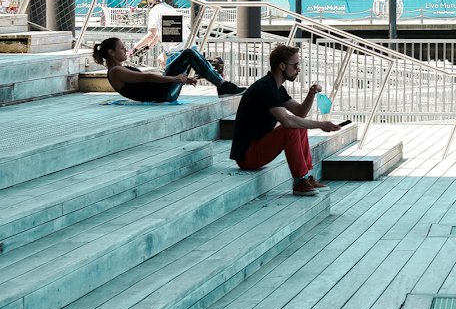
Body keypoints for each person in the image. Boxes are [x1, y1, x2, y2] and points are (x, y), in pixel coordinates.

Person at [230, 43, 348, 197]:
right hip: (247, 156)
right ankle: (299, 181)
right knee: (290, 128)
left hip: (257, 148)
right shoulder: (266, 88)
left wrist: (311, 94)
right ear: (282, 66)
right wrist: (320, 125)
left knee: (299, 125)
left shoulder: (276, 87)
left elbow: (300, 112)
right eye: (296, 65)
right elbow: (286, 120)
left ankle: (306, 177)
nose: (298, 69)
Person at [93, 36, 242, 101]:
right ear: (111, 53)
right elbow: (146, 78)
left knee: (191, 54)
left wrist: (180, 79)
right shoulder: (116, 72)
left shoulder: (119, 69)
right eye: (121, 48)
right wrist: (175, 78)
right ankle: (222, 85)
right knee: (189, 53)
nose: (125, 50)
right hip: (163, 94)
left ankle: (221, 85)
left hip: (163, 93)